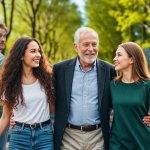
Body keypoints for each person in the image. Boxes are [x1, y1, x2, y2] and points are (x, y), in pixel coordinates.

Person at [53, 27, 116, 150]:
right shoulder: (59, 69)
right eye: (86, 44)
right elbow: (46, 97)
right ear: (76, 47)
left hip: (98, 136)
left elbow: (121, 99)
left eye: (94, 44)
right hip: (68, 136)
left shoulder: (110, 70)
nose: (91, 49)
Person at [0, 37, 55, 150]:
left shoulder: (48, 79)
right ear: (21, 55)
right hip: (19, 136)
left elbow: (54, 109)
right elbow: (5, 117)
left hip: (45, 135)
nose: (38, 55)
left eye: (39, 51)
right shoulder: (9, 83)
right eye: (33, 51)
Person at [109, 42, 150, 150]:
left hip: (142, 144)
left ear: (131, 59)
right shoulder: (113, 85)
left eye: (119, 55)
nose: (114, 58)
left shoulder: (147, 86)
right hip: (117, 144)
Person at [0, 22, 9, 150]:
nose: (2, 39)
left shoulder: (5, 61)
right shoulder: (5, 62)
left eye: (4, 36)